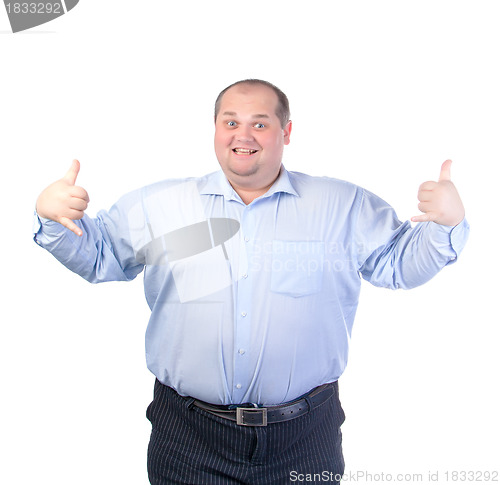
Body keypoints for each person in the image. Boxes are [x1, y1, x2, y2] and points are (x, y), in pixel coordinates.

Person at [34, 79, 469, 484]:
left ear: (286, 131)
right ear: (216, 129)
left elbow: (397, 264)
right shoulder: (159, 205)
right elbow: (100, 257)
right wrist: (53, 218)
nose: (244, 135)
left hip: (305, 436)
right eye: (231, 122)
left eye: (260, 123)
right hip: (188, 435)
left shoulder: (343, 205)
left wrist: (446, 224)